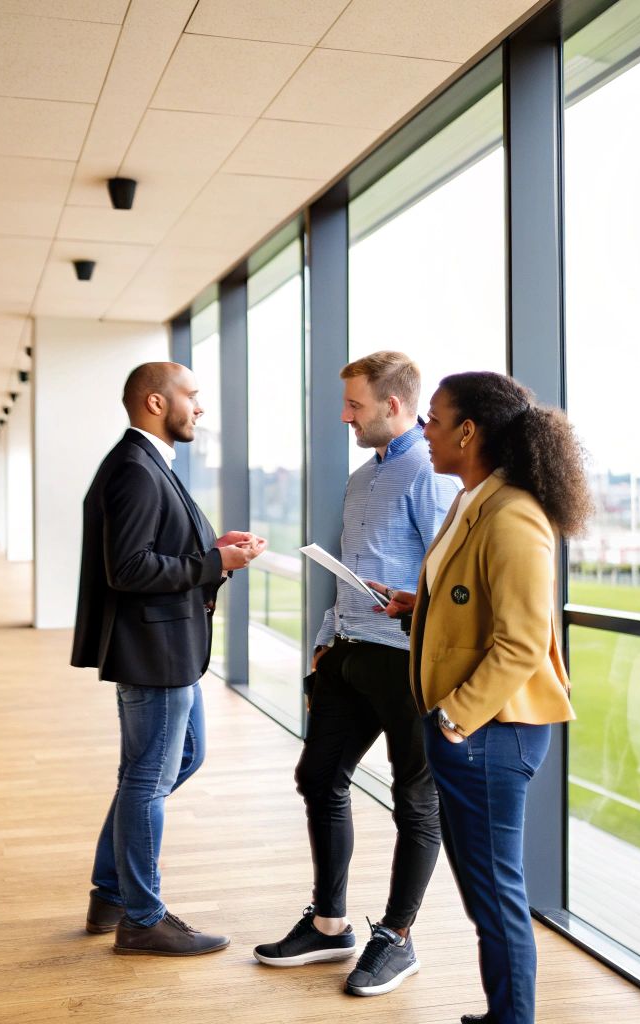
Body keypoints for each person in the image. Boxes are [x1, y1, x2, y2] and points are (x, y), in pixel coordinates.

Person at [380, 371, 590, 1024]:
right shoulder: (473, 499)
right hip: (471, 734)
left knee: (496, 895)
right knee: (482, 893)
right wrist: (423, 605)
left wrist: (451, 719)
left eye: (434, 420)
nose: (424, 430)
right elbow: (475, 603)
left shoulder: (513, 514)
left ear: (467, 432)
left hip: (490, 733)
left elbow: (523, 641)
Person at [254, 352, 456, 995]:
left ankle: (397, 937)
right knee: (318, 775)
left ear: (394, 406)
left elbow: (450, 580)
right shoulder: (363, 477)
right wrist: (322, 647)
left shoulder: (430, 473)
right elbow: (352, 564)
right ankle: (330, 923)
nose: (345, 416)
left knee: (413, 798)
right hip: (346, 653)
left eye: (355, 406)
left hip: (405, 661)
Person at [72, 361, 266, 956]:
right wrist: (215, 565)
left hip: (168, 649)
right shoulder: (135, 468)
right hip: (152, 652)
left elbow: (154, 550)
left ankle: (112, 890)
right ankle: (141, 917)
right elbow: (127, 569)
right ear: (156, 402)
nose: (200, 408)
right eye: (192, 396)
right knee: (148, 779)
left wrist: (213, 550)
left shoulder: (149, 462)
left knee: (178, 759)